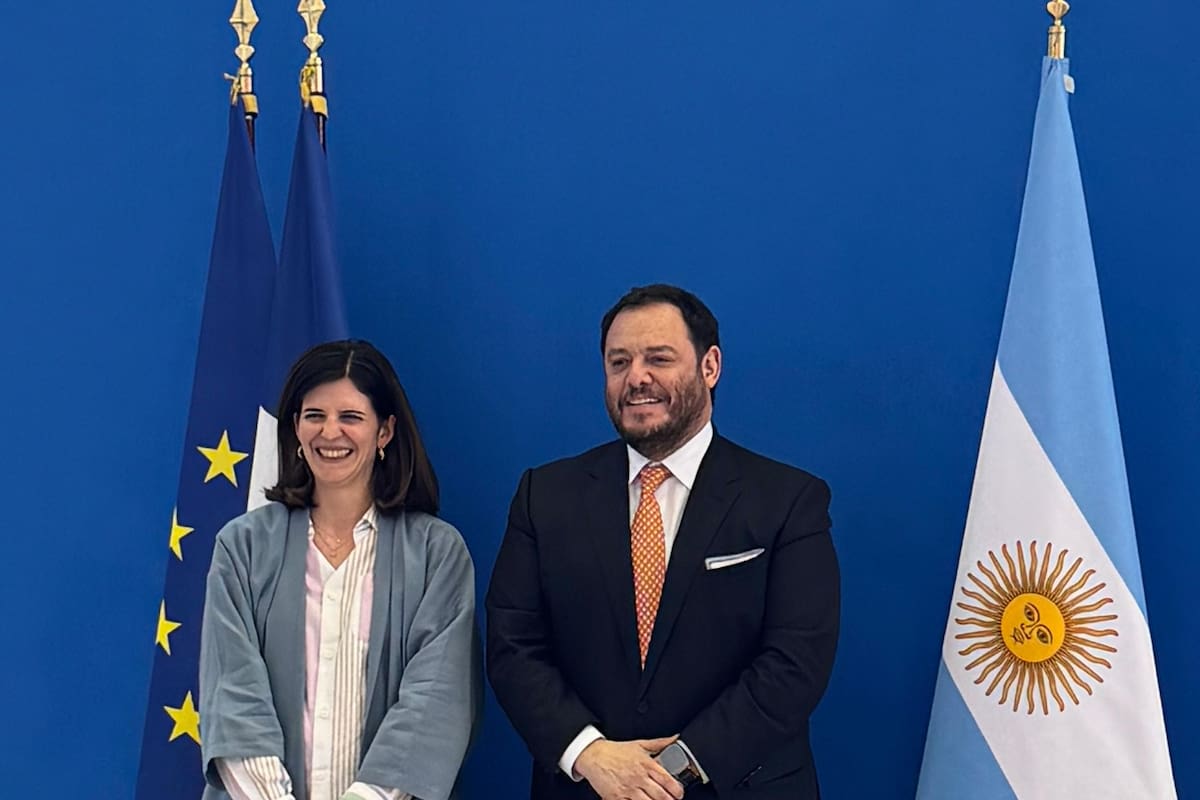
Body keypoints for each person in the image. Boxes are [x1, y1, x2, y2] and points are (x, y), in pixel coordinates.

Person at [486, 285, 839, 800]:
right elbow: (512, 645)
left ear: (710, 366)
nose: (636, 378)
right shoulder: (545, 495)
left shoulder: (788, 500)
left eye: (658, 358)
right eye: (618, 362)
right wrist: (589, 754)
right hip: (587, 786)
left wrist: (672, 768)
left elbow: (796, 661)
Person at [199, 340, 481, 800]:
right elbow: (233, 696)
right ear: (295, 427)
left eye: (351, 417)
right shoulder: (243, 545)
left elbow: (435, 700)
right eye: (315, 416)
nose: (331, 432)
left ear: (385, 431)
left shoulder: (436, 553)